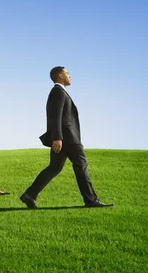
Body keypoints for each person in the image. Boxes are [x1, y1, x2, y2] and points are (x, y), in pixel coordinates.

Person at [20, 66, 114, 208]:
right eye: (67, 73)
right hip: (68, 138)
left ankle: (29, 195)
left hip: (64, 137)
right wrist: (57, 138)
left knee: (54, 168)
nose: (70, 76)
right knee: (81, 165)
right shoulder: (58, 91)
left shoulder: (60, 92)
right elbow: (55, 116)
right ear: (60, 76)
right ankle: (91, 200)